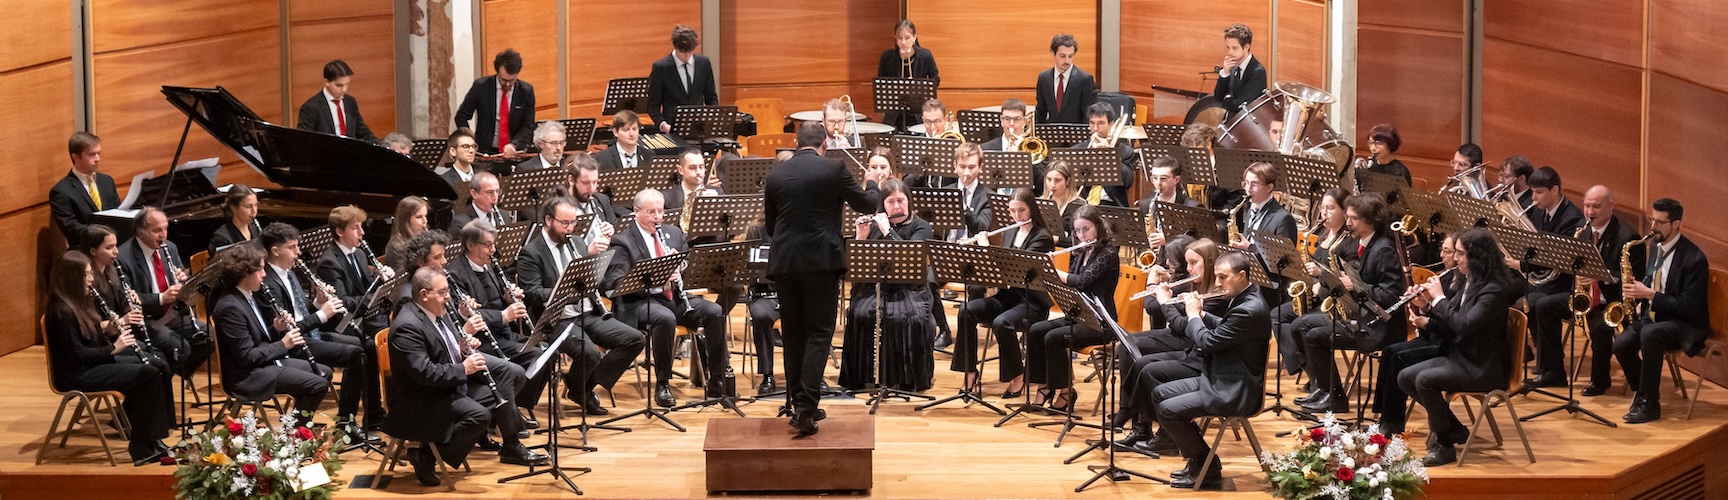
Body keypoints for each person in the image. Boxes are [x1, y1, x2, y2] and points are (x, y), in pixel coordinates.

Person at [763, 121, 885, 436]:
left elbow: (771, 227)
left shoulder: (776, 174)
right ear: (825, 144)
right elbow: (868, 204)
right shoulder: (833, 168)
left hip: (785, 262)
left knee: (793, 333)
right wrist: (872, 182)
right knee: (818, 333)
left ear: (796, 143)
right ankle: (805, 409)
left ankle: (798, 403)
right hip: (820, 262)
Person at [387, 268, 545, 487]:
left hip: (443, 388)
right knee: (478, 416)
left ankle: (506, 443)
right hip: (421, 399)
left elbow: (440, 348)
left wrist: (461, 347)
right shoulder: (407, 326)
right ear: (424, 294)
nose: (448, 297)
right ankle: (426, 457)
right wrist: (464, 368)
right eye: (442, 292)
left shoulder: (435, 311)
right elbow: (424, 373)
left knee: (500, 392)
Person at [513, 195, 644, 414]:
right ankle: (581, 390)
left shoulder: (577, 242)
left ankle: (580, 387)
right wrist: (565, 291)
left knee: (634, 339)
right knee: (589, 352)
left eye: (573, 222)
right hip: (556, 320)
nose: (570, 228)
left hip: (587, 313)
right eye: (565, 223)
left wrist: (598, 273)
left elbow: (595, 282)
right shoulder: (531, 252)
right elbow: (532, 293)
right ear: (548, 220)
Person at [1151, 251, 1269, 489]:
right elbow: (1225, 327)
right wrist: (1203, 314)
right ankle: (1202, 460)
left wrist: (1193, 315)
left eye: (1223, 277)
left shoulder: (1249, 309)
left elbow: (1207, 342)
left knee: (1167, 410)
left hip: (1235, 389)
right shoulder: (1245, 297)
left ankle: (1206, 464)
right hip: (1222, 377)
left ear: (1242, 275)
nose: (1217, 283)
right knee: (1159, 393)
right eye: (1216, 276)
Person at [44, 251, 175, 466]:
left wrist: (111, 331)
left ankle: (154, 437)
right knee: (148, 374)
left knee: (157, 366)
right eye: (86, 275)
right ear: (72, 278)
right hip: (77, 374)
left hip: (93, 364)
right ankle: (142, 447)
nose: (91, 279)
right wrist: (114, 348)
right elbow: (78, 354)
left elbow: (91, 338)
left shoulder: (80, 303)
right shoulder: (60, 312)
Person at [602, 189, 730, 407]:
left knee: (714, 312)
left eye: (660, 211)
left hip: (675, 297)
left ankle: (717, 378)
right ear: (636, 212)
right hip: (640, 302)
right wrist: (656, 276)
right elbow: (616, 283)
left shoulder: (674, 233)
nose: (658, 217)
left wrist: (680, 265)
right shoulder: (622, 242)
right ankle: (663, 383)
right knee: (665, 318)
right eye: (651, 212)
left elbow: (689, 266)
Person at [1401, 228, 1518, 466]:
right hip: (1461, 357)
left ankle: (1445, 446)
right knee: (1405, 377)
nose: (1456, 259)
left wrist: (1439, 299)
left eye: (1461, 254)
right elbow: (1451, 321)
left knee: (1425, 380)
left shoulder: (1493, 290)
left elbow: (1463, 325)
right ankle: (1454, 429)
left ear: (1478, 257)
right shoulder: (1468, 281)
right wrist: (1425, 306)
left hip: (1482, 367)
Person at [256, 223, 373, 444]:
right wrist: (322, 315)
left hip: (310, 335)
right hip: (292, 344)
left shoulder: (290, 274)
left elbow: (301, 312)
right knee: (355, 354)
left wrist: (318, 303)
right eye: (292, 247)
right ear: (275, 251)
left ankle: (365, 416)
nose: (298, 252)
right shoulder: (268, 282)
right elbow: (287, 328)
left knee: (365, 344)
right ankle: (346, 423)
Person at [1290, 192, 1407, 413]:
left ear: (1371, 220)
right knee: (1300, 325)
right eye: (1348, 217)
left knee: (1314, 336)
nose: (1348, 222)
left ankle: (1335, 398)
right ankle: (1323, 388)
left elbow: (1392, 297)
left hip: (1377, 327)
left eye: (1353, 218)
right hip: (1358, 316)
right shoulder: (1360, 242)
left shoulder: (1383, 249)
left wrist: (1356, 286)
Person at [1116, 238, 1230, 454]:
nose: (1189, 269)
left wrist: (1165, 302)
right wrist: (1170, 298)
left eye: (1193, 263)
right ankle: (1141, 426)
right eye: (1187, 263)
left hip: (1198, 351)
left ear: (1209, 262)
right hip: (1188, 345)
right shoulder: (1195, 284)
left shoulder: (1219, 295)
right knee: (1133, 353)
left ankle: (1153, 427)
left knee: (1146, 366)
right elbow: (1174, 318)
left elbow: (1183, 326)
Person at [209, 243, 330, 428]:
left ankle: (296, 425)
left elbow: (257, 339)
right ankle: (294, 433)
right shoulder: (230, 307)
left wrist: (276, 329)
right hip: (247, 375)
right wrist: (284, 344)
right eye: (260, 269)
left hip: (263, 364)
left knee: (325, 373)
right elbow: (246, 356)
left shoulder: (247, 295)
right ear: (244, 272)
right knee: (317, 385)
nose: (264, 274)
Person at [1616, 198, 1711, 424]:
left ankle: (1650, 405)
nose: (1653, 226)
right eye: (1652, 219)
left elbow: (1689, 307)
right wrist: (1640, 300)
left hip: (1684, 323)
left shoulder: (1694, 259)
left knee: (1650, 334)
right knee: (1621, 343)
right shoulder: (1656, 246)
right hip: (1656, 317)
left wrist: (1650, 295)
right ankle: (1642, 392)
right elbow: (1655, 282)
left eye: (1659, 222)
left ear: (1676, 224)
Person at [837, 179, 937, 393]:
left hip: (910, 290)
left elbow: (911, 260)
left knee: (908, 317)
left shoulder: (921, 226)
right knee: (859, 313)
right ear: (883, 205)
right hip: (877, 288)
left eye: (901, 200)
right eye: (891, 202)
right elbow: (856, 268)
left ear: (909, 202)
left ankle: (906, 378)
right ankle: (865, 376)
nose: (897, 206)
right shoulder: (874, 226)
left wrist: (888, 232)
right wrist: (861, 238)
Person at [952, 189, 1055, 397]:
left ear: (1032, 209)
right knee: (966, 310)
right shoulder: (1010, 231)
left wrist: (986, 249)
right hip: (1007, 298)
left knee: (1002, 323)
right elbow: (998, 273)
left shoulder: (1042, 237)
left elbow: (1016, 268)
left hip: (1031, 302)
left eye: (1022, 210)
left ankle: (1017, 375)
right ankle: (969, 371)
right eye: (1013, 211)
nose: (1017, 216)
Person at [446, 220, 549, 423]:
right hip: (481, 340)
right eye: (487, 245)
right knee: (534, 356)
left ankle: (515, 406)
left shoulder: (489, 265)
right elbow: (468, 314)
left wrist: (508, 298)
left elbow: (496, 299)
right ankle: (508, 414)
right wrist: (503, 315)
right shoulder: (455, 273)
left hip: (502, 334)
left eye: (493, 244)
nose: (493, 250)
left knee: (546, 352)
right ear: (470, 245)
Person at [1023, 205, 1120, 414]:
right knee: (1036, 330)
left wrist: (1053, 269)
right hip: (1078, 315)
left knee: (1054, 338)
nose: (1082, 235)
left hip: (1101, 322)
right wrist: (1048, 272)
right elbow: (1068, 285)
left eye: (1086, 229)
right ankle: (1044, 386)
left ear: (1098, 227)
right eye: (1077, 230)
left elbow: (1082, 281)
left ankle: (1066, 393)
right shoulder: (1080, 251)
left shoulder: (1108, 254)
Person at [1373, 232, 1465, 437]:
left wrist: (1428, 322)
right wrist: (1422, 305)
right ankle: (1385, 416)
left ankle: (1393, 422)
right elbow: (1440, 314)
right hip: (1435, 337)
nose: (1442, 256)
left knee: (1398, 358)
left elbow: (1453, 323)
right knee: (1389, 352)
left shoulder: (1463, 284)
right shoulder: (1447, 277)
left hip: (1446, 344)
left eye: (1448, 251)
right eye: (1443, 250)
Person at [314, 205, 393, 427]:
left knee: (393, 336)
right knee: (368, 346)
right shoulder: (329, 262)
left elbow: (366, 290)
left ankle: (381, 410)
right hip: (339, 323)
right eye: (356, 228)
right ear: (340, 231)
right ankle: (366, 414)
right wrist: (372, 297)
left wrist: (381, 281)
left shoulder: (358, 254)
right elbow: (342, 302)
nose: (362, 233)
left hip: (361, 319)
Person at [117, 207, 213, 379]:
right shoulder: (124, 257)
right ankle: (161, 379)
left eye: (165, 228)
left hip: (173, 313)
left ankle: (170, 373)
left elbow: (181, 279)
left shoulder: (169, 247)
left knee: (209, 337)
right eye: (157, 230)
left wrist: (184, 279)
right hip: (147, 319)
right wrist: (161, 298)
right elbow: (126, 299)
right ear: (140, 231)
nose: (163, 235)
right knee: (179, 347)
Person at [1516, 165, 1585, 387]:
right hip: (1541, 277)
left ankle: (1551, 368)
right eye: (1532, 192)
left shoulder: (1572, 218)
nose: (1533, 198)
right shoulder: (1539, 211)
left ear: (1555, 190)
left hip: (1563, 282)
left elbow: (1558, 259)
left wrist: (1522, 263)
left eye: (1539, 192)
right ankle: (1535, 360)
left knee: (1532, 303)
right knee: (1506, 292)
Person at [1566, 186, 1638, 396]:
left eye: (1596, 207)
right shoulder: (1582, 231)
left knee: (1598, 326)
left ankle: (1600, 381)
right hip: (1589, 297)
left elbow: (1635, 278)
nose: (1590, 212)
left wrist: (1602, 276)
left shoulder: (1628, 237)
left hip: (1616, 302)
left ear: (1611, 206)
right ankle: (1551, 371)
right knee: (1544, 306)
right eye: (1586, 206)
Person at [455, 49, 535, 155]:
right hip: (484, 151)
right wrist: (469, 139)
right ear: (497, 73)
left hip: (513, 152)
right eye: (504, 80)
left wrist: (514, 144)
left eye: (512, 80)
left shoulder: (526, 91)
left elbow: (528, 125)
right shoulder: (481, 87)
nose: (507, 85)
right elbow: (461, 116)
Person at [647, 25, 719, 134]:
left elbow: (711, 97)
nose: (686, 55)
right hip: (671, 129)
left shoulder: (704, 63)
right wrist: (663, 125)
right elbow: (652, 105)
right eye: (682, 51)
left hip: (699, 129)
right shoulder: (661, 68)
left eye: (690, 51)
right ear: (675, 46)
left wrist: (712, 120)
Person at [49, 132, 120, 243]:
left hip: (114, 244)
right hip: (85, 248)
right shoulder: (61, 191)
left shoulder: (107, 181)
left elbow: (117, 212)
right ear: (75, 157)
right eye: (92, 154)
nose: (97, 159)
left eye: (99, 153)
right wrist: (103, 236)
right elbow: (71, 228)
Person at [876, 19, 939, 130]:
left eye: (907, 38)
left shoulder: (925, 56)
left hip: (918, 112)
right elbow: (881, 82)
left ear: (914, 38)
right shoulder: (887, 57)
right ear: (895, 39)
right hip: (893, 113)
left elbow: (935, 80)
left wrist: (917, 87)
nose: (903, 42)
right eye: (900, 38)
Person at [297, 59, 378, 143]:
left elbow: (362, 131)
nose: (344, 89)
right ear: (327, 82)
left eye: (347, 84)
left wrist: (380, 145)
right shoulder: (311, 108)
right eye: (339, 85)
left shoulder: (350, 102)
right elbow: (304, 140)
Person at [1076, 103, 1138, 207]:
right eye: (1092, 123)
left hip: (1112, 205)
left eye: (1100, 123)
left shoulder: (1125, 151)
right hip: (1083, 204)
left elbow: (1128, 182)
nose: (1095, 128)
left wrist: (1110, 155)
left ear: (1111, 124)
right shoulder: (1078, 150)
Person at [1035, 34, 1095, 125]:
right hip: (1051, 131)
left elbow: (1088, 115)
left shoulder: (1085, 79)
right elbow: (1041, 111)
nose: (1067, 61)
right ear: (1053, 53)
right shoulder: (1044, 78)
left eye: (1070, 56)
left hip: (1076, 132)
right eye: (1062, 56)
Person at [1213, 23, 1268, 118]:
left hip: (1248, 123)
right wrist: (1225, 73)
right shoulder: (1232, 66)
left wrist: (1226, 100)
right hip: (1231, 120)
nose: (1230, 52)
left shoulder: (1257, 71)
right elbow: (1218, 97)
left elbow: (1241, 105)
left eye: (1234, 48)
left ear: (1246, 47)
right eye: (1228, 48)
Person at [449, 171, 515, 235]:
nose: (495, 197)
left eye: (497, 191)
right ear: (474, 194)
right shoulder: (461, 223)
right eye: (490, 192)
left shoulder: (504, 215)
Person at [1136, 156, 1201, 220]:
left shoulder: (1192, 208)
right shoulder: (1145, 205)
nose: (1158, 183)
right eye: (1155, 178)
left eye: (1163, 178)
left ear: (1176, 180)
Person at [1042, 160, 1089, 247]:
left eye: (1057, 180)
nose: (1052, 185)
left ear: (1067, 181)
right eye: (1049, 179)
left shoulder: (1078, 206)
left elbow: (1083, 239)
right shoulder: (1041, 203)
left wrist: (1058, 240)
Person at [208, 185, 262, 255]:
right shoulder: (221, 238)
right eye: (248, 206)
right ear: (233, 207)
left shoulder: (255, 229)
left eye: (255, 205)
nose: (254, 211)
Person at [383, 196, 429, 273]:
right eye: (419, 217)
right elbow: (403, 277)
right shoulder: (396, 246)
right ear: (406, 220)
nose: (425, 221)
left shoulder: (426, 237)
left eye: (425, 216)